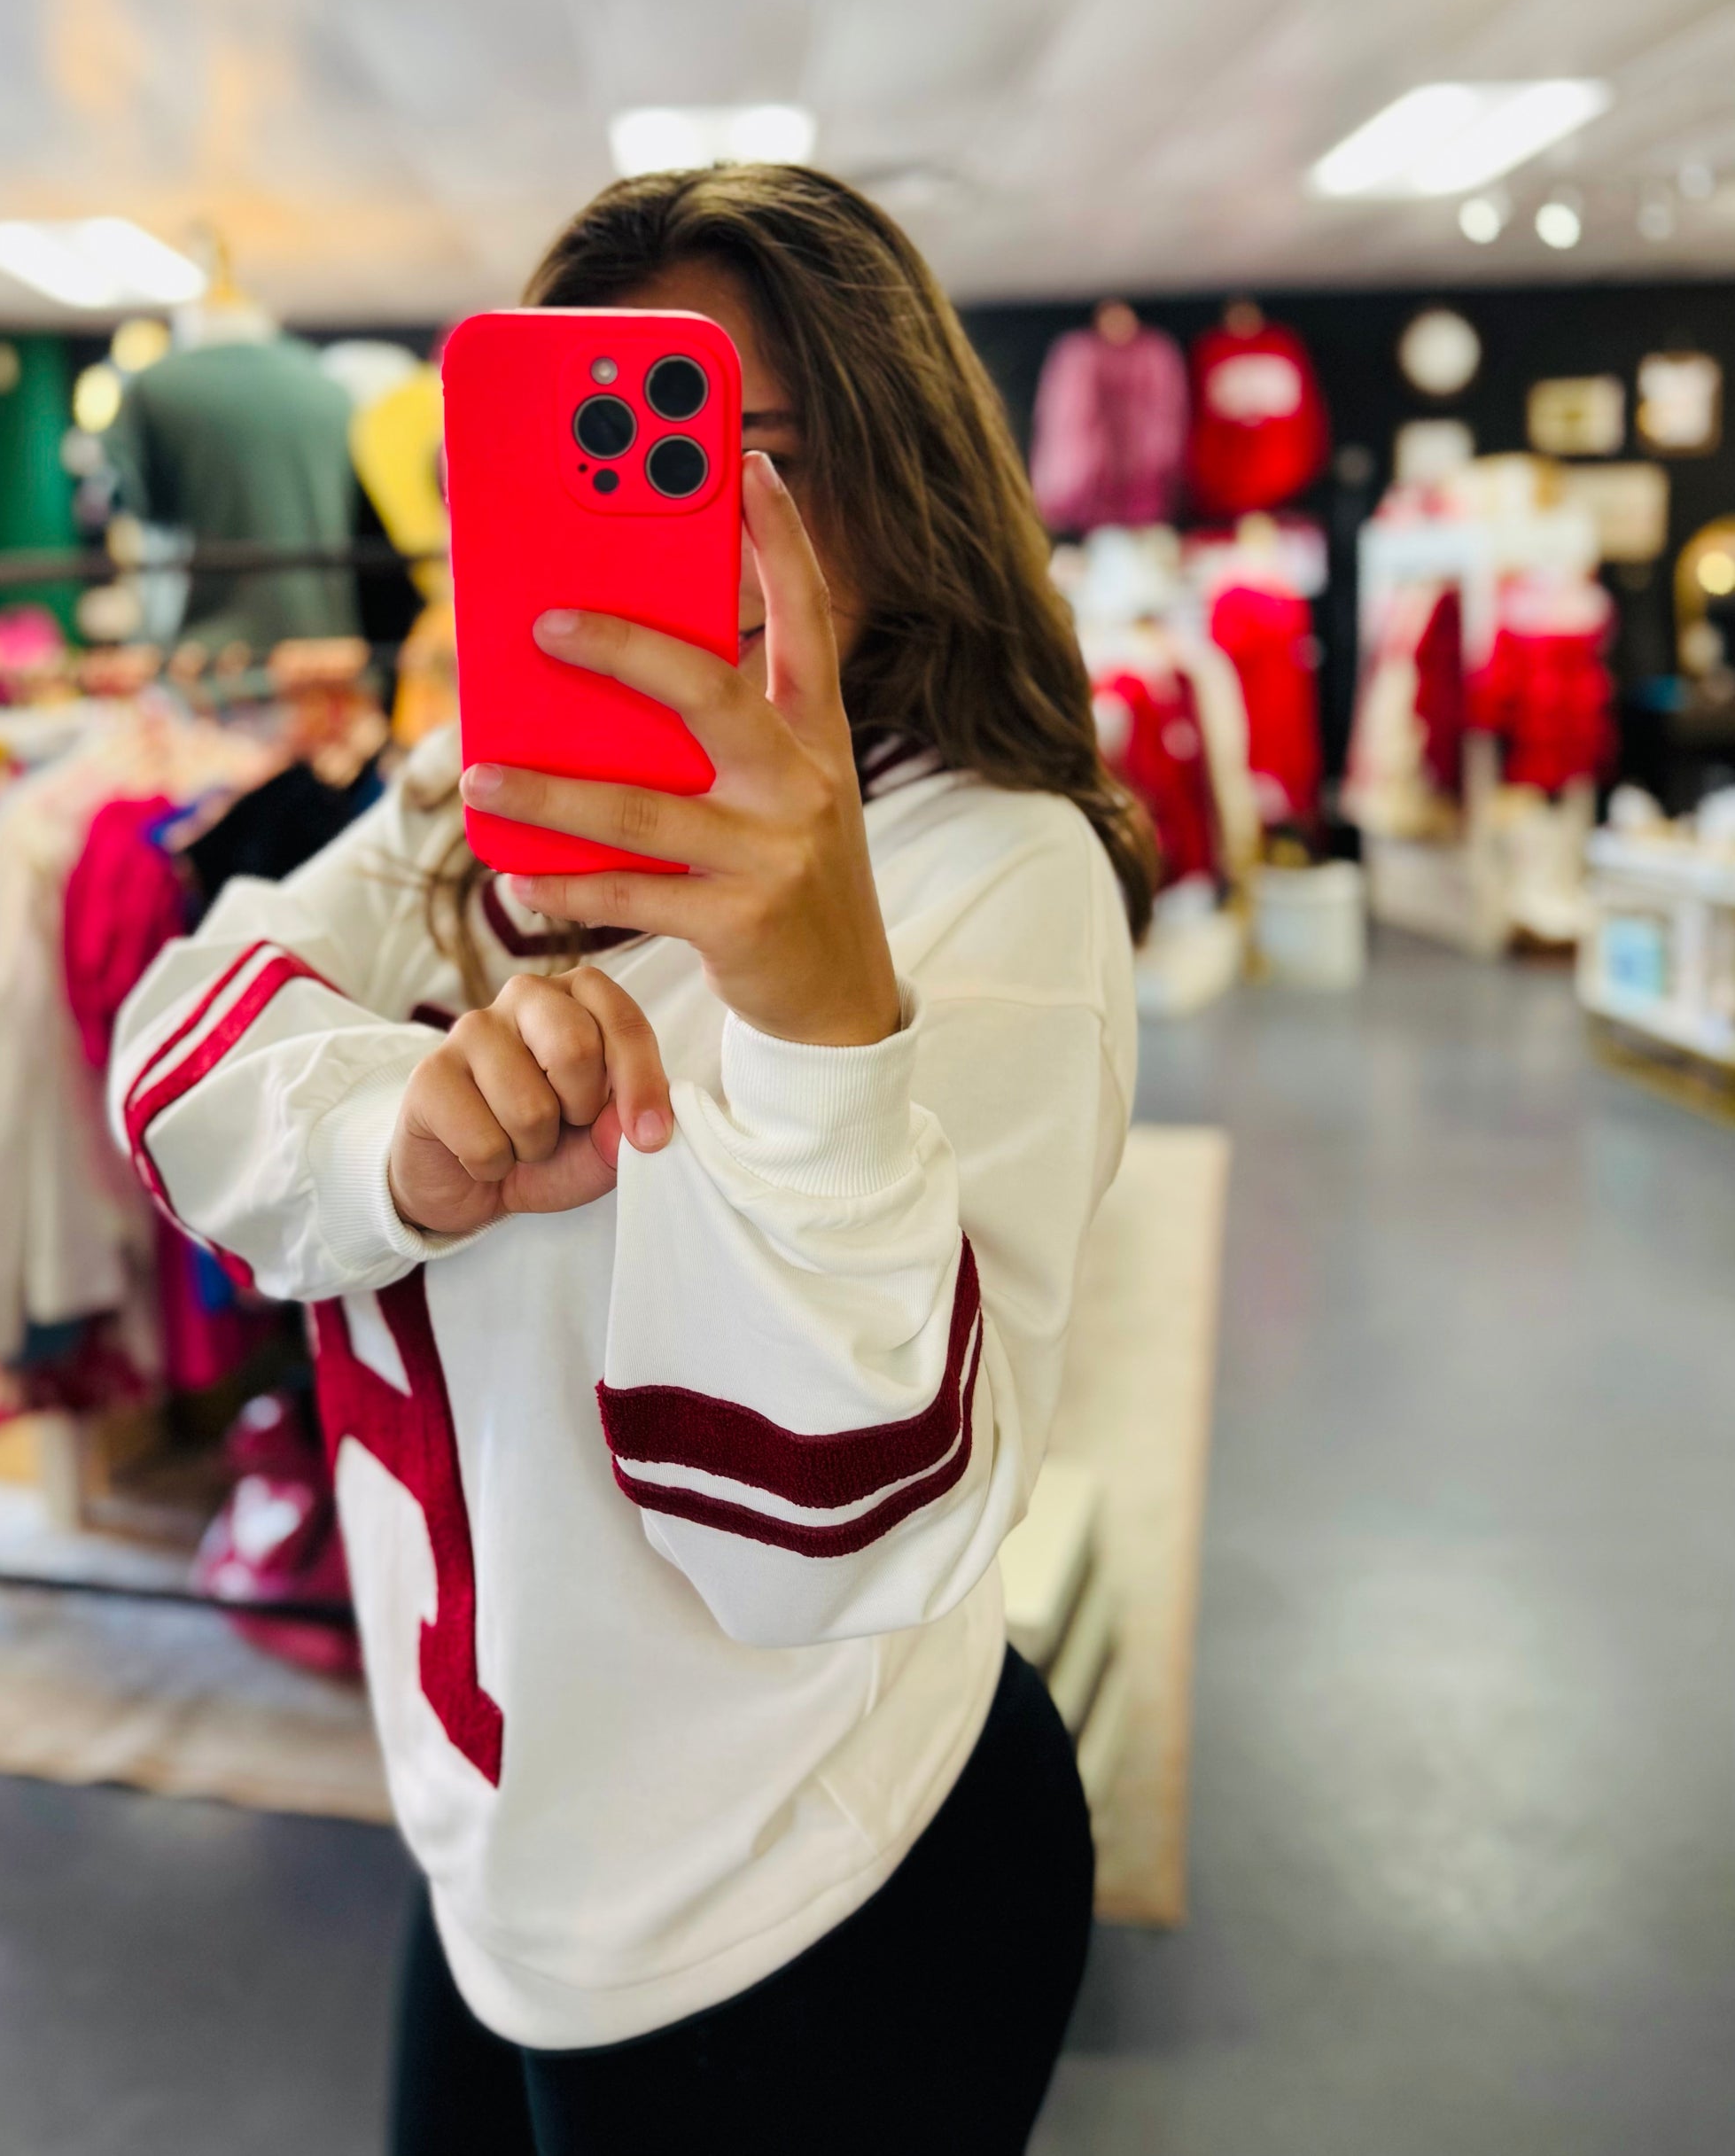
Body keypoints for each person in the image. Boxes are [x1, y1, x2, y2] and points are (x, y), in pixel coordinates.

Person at [110, 163, 1152, 2156]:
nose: (683, 523)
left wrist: (818, 1019)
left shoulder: (988, 880)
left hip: (802, 1887)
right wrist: (400, 1142)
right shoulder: (482, 794)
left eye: (747, 450)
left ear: (885, 463)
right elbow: (178, 1049)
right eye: (599, 459)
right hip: (500, 1839)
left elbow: (816, 1532)